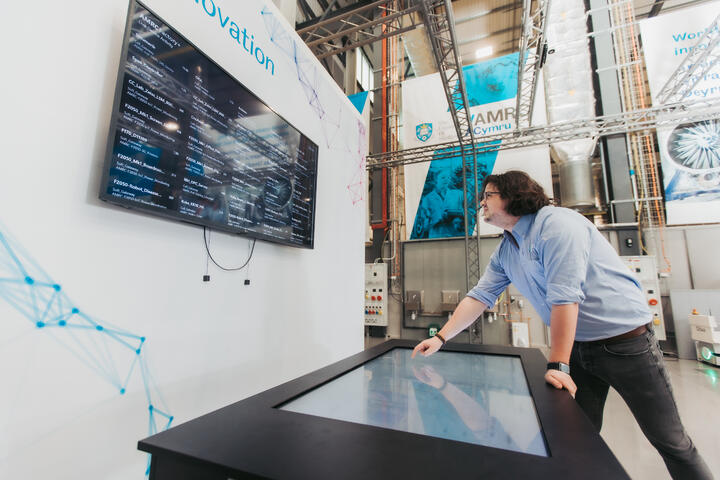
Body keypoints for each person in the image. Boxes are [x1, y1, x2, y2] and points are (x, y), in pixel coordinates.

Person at [411, 170, 712, 480]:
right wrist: (442, 338)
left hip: (626, 345)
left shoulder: (557, 226)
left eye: (488, 195)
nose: (480, 203)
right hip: (578, 347)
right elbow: (481, 295)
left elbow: (566, 297)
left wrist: (558, 364)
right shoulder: (507, 247)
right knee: (567, 438)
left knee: (670, 441)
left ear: (513, 196)